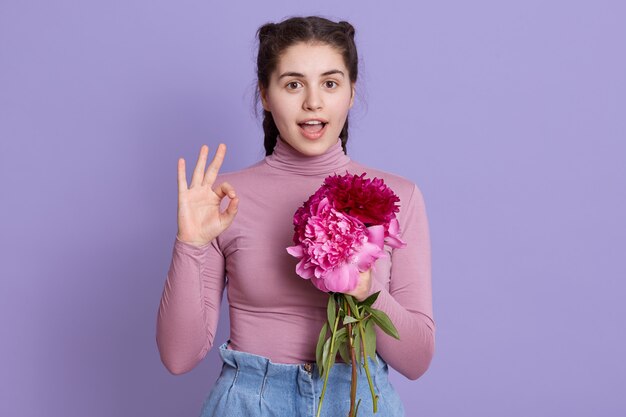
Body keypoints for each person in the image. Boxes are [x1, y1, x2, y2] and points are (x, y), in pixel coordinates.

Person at [156, 16, 435, 417]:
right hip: (248, 401)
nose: (313, 102)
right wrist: (190, 245)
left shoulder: (399, 197)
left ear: (352, 93)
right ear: (265, 96)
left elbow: (418, 360)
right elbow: (178, 357)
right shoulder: (222, 198)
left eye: (330, 83)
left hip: (358, 397)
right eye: (292, 84)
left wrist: (366, 291)